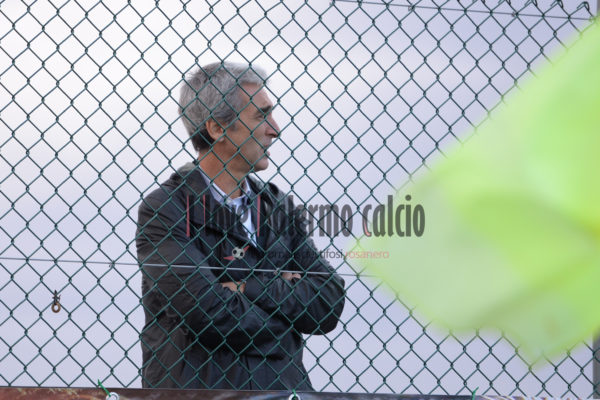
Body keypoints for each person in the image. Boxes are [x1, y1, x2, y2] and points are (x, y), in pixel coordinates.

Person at [136, 61, 346, 390]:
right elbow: (210, 315)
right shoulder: (165, 209)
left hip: (282, 393)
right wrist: (288, 318)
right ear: (217, 128)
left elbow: (327, 302)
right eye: (261, 116)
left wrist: (248, 287)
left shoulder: (277, 207)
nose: (275, 129)